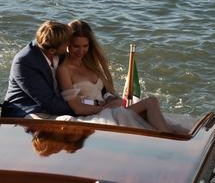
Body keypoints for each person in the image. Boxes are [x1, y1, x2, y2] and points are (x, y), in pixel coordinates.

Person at [56, 20, 184, 133]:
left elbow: (104, 93)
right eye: (76, 46)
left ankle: (171, 135)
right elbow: (77, 108)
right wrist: (104, 108)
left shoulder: (90, 64)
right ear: (67, 44)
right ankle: (169, 139)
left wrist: (113, 100)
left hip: (109, 109)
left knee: (153, 110)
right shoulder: (64, 70)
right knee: (151, 103)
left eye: (85, 46)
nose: (81, 51)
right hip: (94, 116)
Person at [1, 20, 76, 118]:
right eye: (67, 43)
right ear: (52, 50)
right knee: (68, 121)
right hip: (25, 110)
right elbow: (48, 102)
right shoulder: (25, 62)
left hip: (52, 106)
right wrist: (78, 109)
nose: (69, 45)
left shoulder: (59, 53)